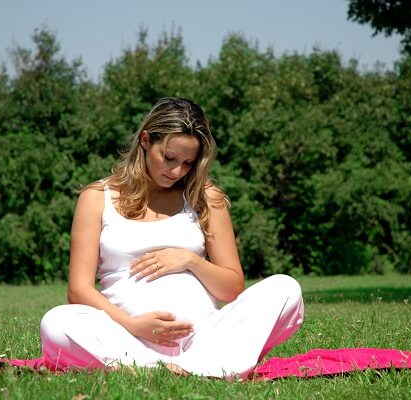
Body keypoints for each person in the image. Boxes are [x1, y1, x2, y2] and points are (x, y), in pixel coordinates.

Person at [40, 97, 304, 379]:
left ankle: (185, 367)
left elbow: (232, 289)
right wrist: (133, 325)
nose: (176, 171)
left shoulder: (206, 197)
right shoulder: (96, 198)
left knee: (286, 288)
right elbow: (79, 291)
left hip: (203, 338)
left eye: (188, 162)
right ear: (145, 140)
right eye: (168, 158)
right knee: (56, 322)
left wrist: (190, 260)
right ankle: (175, 369)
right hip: (127, 337)